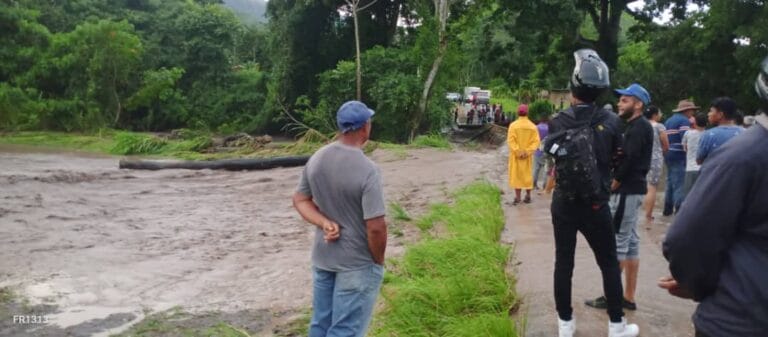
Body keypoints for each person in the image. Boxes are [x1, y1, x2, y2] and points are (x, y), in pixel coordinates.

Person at [659, 55, 768, 337]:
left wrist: (694, 282)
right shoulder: (740, 138)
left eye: (710, 109)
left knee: (681, 196)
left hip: (737, 317)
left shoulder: (741, 154)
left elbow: (688, 236)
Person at [546, 49, 638, 337]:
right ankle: (616, 326)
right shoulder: (612, 121)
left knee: (564, 263)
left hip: (564, 202)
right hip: (596, 205)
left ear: (573, 86)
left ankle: (565, 325)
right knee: (608, 263)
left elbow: (553, 158)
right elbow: (620, 159)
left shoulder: (558, 120)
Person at [292, 101, 387, 337]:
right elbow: (376, 227)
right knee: (345, 330)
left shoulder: (317, 158)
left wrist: (324, 222)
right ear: (365, 127)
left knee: (320, 325)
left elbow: (300, 200)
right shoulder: (368, 169)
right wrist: (378, 261)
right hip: (356, 263)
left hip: (323, 257)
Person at [586, 83, 653, 313]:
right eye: (620, 100)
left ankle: (611, 297)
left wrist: (614, 183)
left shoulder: (638, 127)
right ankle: (628, 297)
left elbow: (629, 159)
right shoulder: (637, 126)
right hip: (634, 190)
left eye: (625, 100)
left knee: (618, 243)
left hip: (626, 190)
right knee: (631, 242)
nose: (619, 104)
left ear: (638, 104)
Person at [663, 99, 697, 216]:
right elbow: (685, 138)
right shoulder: (684, 121)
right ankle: (679, 211)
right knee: (680, 183)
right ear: (686, 110)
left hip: (668, 153)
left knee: (670, 181)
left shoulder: (669, 120)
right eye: (692, 110)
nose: (693, 112)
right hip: (678, 154)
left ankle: (667, 209)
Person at [507, 104, 540, 205]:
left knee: (517, 176)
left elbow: (511, 141)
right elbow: (536, 142)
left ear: (518, 113)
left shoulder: (513, 126)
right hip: (527, 157)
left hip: (516, 157)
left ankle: (518, 198)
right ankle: (528, 196)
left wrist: (518, 152)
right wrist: (527, 152)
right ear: (527, 113)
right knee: (527, 176)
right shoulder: (533, 126)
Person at [697, 97, 743, 165]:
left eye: (711, 111)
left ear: (720, 115)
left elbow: (699, 160)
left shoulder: (708, 135)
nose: (708, 114)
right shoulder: (745, 133)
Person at [642, 106, 669, 222]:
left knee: (645, 184)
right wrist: (662, 151)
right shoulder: (659, 126)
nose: (661, 114)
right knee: (652, 186)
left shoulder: (642, 125)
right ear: (654, 115)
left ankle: (643, 211)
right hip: (655, 159)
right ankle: (648, 214)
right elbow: (666, 144)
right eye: (660, 112)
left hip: (643, 158)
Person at [681, 113, 707, 199]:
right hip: (705, 169)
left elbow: (685, 148)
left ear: (695, 123)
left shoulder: (688, 133)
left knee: (688, 196)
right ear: (706, 123)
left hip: (690, 168)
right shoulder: (709, 134)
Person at [532, 114, 550, 190]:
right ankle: (545, 186)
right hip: (546, 151)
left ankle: (534, 184)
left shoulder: (536, 127)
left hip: (537, 150)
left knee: (536, 169)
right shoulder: (550, 128)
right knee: (546, 169)